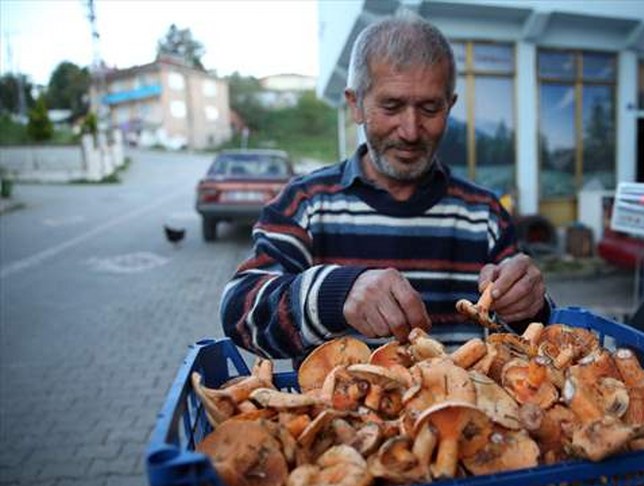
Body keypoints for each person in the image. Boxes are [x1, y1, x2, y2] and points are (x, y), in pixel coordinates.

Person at [220, 13, 551, 365]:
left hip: (465, 416)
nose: (410, 130)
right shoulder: (306, 203)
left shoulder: (484, 214)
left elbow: (530, 342)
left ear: (449, 106)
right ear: (355, 104)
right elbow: (239, 310)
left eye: (429, 108)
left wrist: (529, 305)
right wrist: (337, 293)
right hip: (338, 417)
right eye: (391, 106)